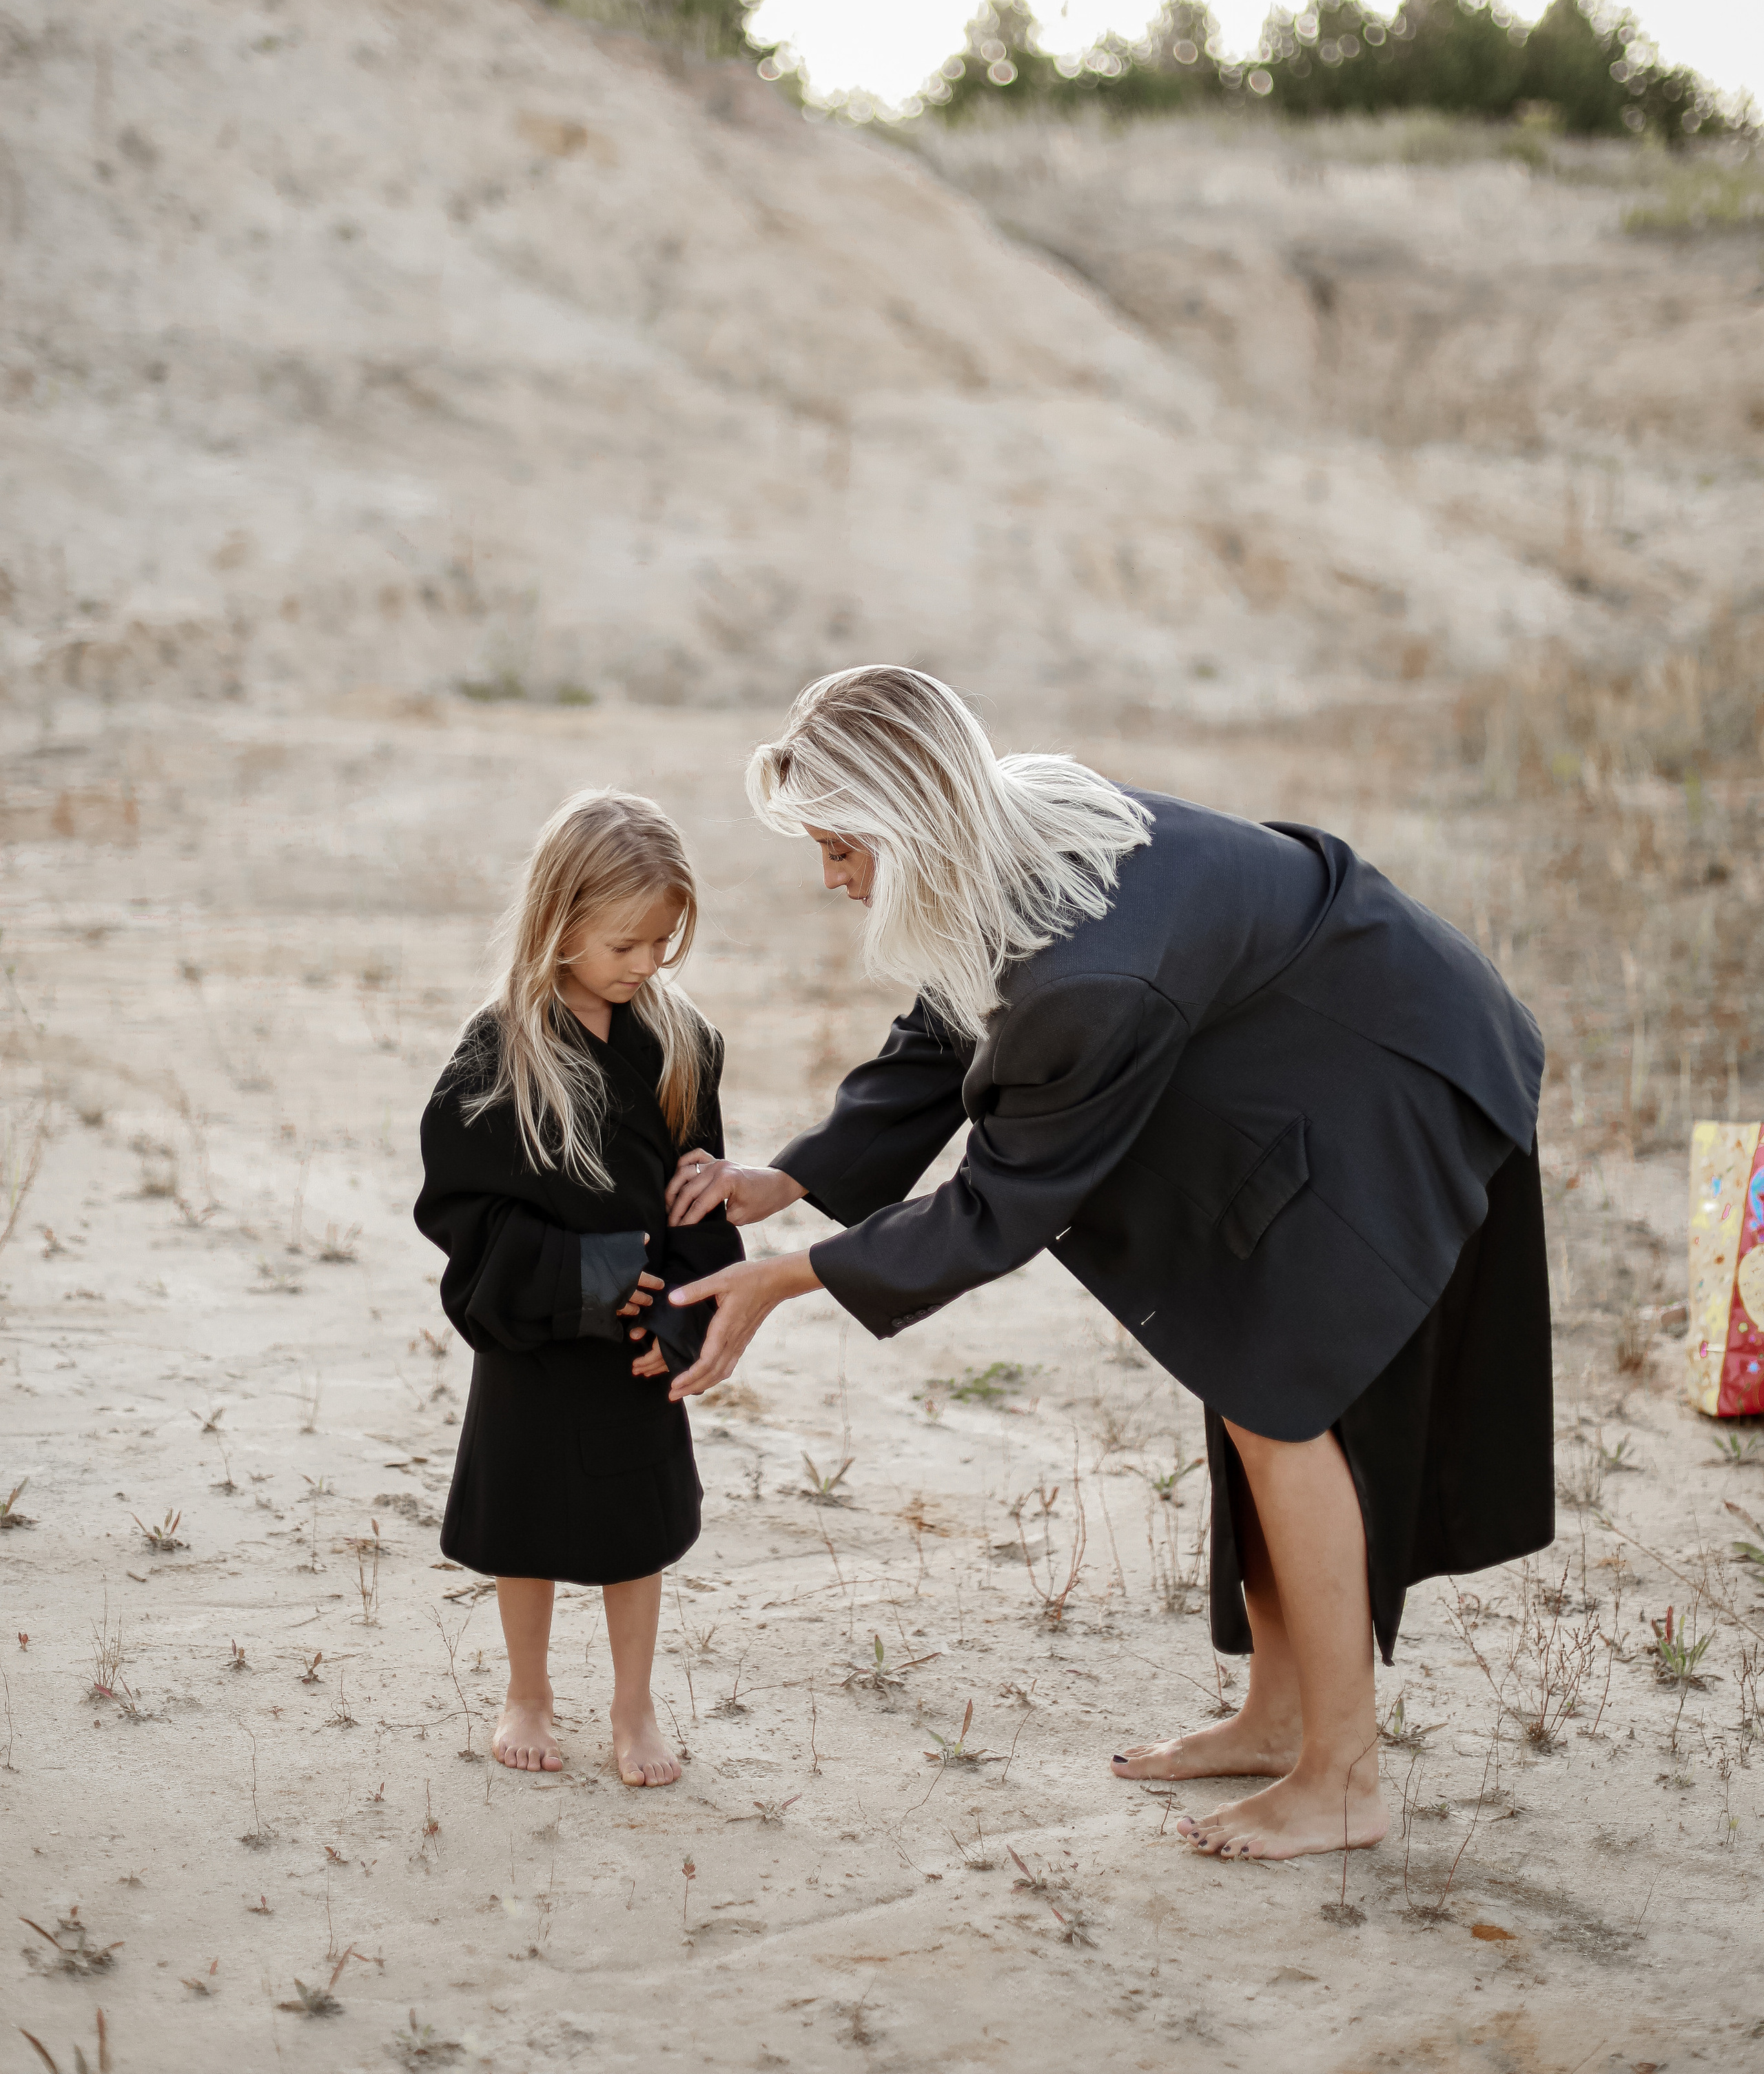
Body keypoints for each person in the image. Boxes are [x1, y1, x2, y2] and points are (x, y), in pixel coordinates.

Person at [662, 666, 1552, 1861]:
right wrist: (797, 1175)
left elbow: (999, 1205)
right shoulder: (1008, 824)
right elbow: (950, 1013)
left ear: (912, 823)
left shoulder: (1093, 975)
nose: (831, 878)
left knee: (1282, 1404)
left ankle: (1344, 1778)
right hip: (1303, 1039)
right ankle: (1279, 1713)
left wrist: (786, 1275)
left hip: (1389, 1063)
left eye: (839, 847)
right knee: (1250, 1379)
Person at [416, 790, 741, 1785]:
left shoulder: (683, 1043)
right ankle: (527, 1691)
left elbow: (700, 1197)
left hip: (642, 1339)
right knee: (530, 1526)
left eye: (663, 943)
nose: (647, 966)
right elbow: (465, 1218)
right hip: (535, 1335)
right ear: (558, 925)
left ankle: (634, 1709)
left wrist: (682, 1324)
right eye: (624, 946)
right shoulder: (497, 1055)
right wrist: (592, 1278)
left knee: (631, 1535)